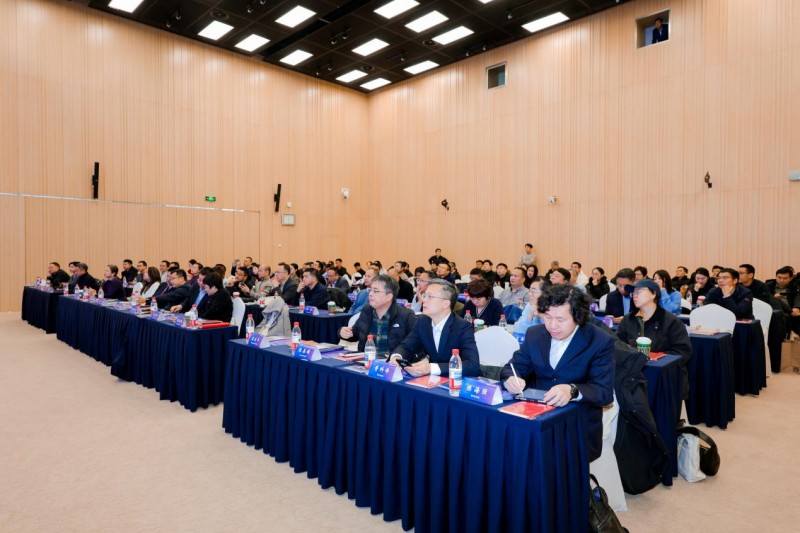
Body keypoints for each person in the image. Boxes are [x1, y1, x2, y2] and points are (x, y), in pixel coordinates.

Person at [500, 284, 615, 463]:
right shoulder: (535, 334)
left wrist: (572, 390)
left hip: (576, 426)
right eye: (547, 317)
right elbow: (513, 367)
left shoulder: (599, 340)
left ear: (578, 317)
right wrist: (511, 378)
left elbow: (604, 392)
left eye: (560, 319)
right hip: (537, 419)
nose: (552, 325)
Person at [616, 279, 692, 399]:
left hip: (662, 378)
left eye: (639, 291)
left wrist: (655, 356)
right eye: (633, 292)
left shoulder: (671, 321)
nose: (634, 295)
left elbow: (683, 351)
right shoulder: (628, 319)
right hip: (633, 376)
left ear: (653, 294)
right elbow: (618, 344)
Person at [389, 279, 481, 378]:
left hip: (458, 380)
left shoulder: (462, 327)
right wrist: (396, 357)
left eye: (430, 297)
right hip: (433, 381)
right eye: (424, 295)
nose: (424, 300)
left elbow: (473, 366)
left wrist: (431, 368)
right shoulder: (423, 321)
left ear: (446, 303)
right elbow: (406, 346)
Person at [339, 275, 417, 353]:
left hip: (392, 359)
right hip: (367, 358)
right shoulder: (367, 310)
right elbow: (355, 333)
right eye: (370, 290)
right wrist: (343, 332)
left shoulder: (406, 315)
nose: (370, 294)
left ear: (389, 296)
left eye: (376, 291)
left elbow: (415, 344)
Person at [767, 267, 800, 337]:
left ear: (791, 278)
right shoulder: (768, 286)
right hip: (777, 311)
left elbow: (798, 296)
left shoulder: (795, 286)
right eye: (779, 277)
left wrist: (797, 307)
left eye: (785, 278)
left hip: (792, 310)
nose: (781, 280)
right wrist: (773, 297)